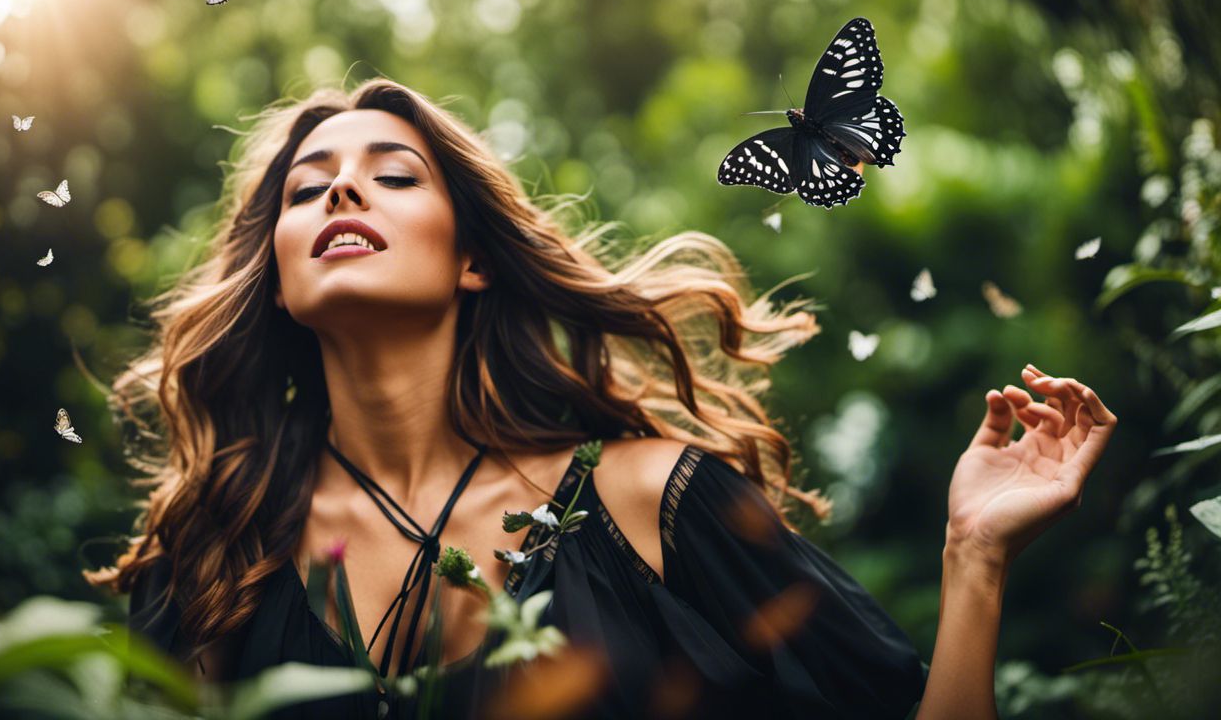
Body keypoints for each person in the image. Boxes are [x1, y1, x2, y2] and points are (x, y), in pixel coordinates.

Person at [85, 77, 1117, 719]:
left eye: (391, 176)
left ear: (474, 261)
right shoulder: (216, 556)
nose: (341, 194)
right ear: (276, 265)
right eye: (306, 190)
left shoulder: (650, 501)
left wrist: (973, 560)